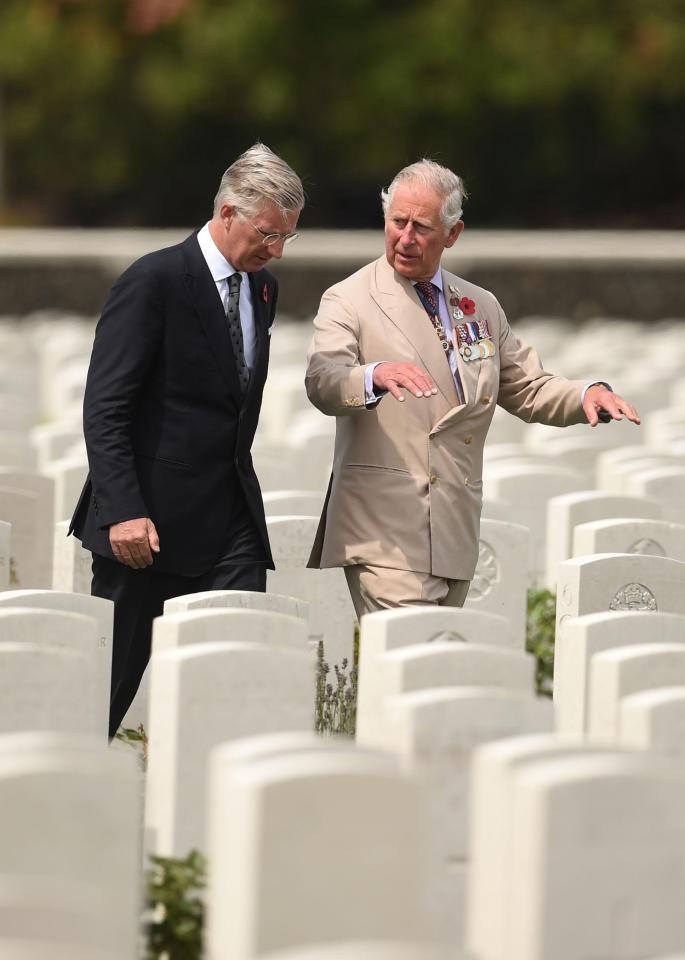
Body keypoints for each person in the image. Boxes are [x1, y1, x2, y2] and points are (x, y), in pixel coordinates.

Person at [305, 159, 639, 620]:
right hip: (385, 530)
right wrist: (372, 376)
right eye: (397, 222)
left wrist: (586, 396)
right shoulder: (349, 298)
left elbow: (525, 385)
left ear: (452, 234)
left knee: (439, 674)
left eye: (421, 227)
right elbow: (323, 380)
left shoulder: (479, 305)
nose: (405, 238)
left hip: (454, 524)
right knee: (411, 662)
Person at [70, 143, 304, 738]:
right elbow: (106, 406)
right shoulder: (154, 280)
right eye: (267, 234)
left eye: (285, 238)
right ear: (228, 213)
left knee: (239, 671)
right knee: (105, 695)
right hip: (145, 525)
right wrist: (122, 510)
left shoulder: (263, 289)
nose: (275, 250)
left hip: (229, 520)